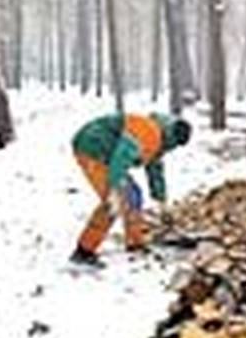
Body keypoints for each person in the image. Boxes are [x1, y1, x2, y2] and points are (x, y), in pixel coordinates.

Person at [69, 111, 192, 267]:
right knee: (114, 202)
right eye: (176, 144)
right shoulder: (148, 131)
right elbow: (121, 157)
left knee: (133, 194)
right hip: (92, 148)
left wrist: (161, 201)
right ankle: (84, 251)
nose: (174, 148)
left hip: (109, 156)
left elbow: (155, 170)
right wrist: (114, 189)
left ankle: (135, 242)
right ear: (173, 138)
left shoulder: (159, 139)